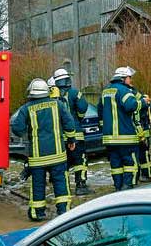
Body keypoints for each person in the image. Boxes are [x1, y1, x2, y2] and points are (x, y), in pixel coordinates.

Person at [11, 78, 76, 221]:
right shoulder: (57, 104)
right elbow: (69, 124)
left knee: (38, 184)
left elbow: (17, 128)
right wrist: (71, 140)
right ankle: (64, 210)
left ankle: (37, 212)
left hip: (37, 157)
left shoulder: (26, 108)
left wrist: (27, 129)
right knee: (60, 182)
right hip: (58, 155)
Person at [97, 66, 148, 191]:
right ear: (123, 78)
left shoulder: (105, 91)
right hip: (125, 136)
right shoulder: (124, 90)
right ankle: (127, 186)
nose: (130, 80)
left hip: (109, 138)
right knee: (129, 163)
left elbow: (100, 111)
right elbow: (130, 106)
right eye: (129, 78)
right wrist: (143, 103)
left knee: (116, 165)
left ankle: (118, 187)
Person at [52, 68, 92, 195]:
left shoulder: (51, 96)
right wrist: (78, 118)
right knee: (80, 161)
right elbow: (83, 107)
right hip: (76, 135)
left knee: (64, 163)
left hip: (59, 137)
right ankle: (81, 185)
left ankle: (63, 188)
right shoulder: (74, 92)